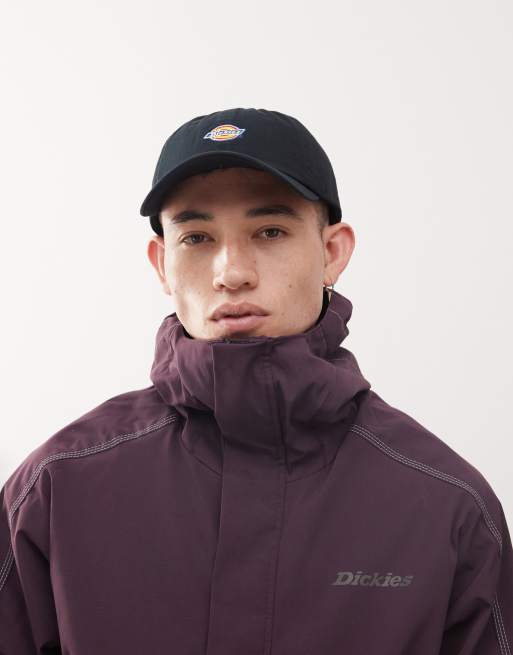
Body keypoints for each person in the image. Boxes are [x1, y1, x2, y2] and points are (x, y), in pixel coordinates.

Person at [0, 107, 511, 654]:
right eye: (197, 238)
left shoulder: (446, 506)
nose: (232, 273)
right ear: (161, 264)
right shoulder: (57, 488)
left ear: (332, 253)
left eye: (270, 231)